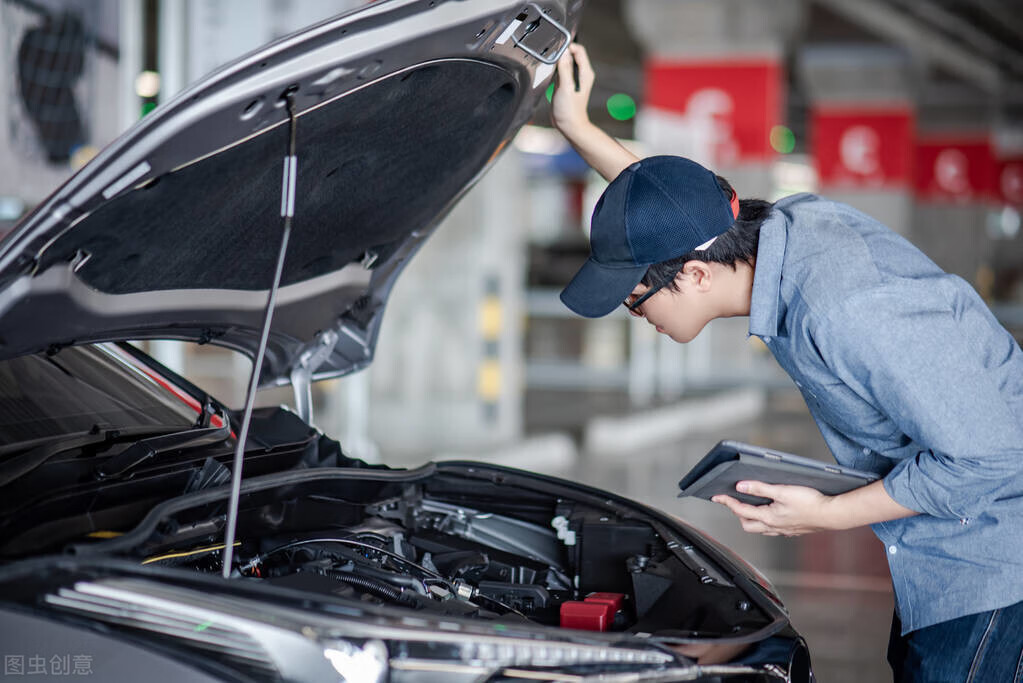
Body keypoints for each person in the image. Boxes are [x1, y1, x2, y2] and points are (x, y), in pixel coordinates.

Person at [550, 43, 1023, 681]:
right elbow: (673, 209)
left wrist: (823, 515)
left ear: (693, 275)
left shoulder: (845, 308)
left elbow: (988, 456)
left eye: (636, 303)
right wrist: (578, 129)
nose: (639, 318)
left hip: (989, 559)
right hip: (939, 554)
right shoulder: (778, 229)